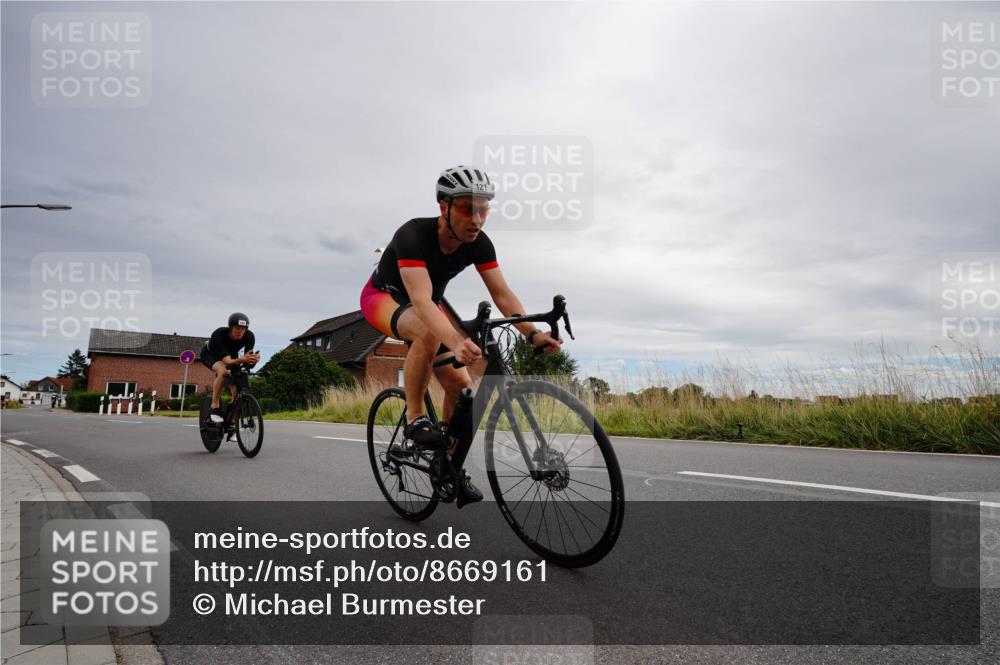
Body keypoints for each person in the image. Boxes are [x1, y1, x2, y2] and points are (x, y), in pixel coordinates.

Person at [360, 166, 562, 506]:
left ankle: (447, 467)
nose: (477, 219)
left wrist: (532, 334)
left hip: (429, 304)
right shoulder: (413, 235)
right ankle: (414, 418)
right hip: (385, 297)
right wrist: (455, 341)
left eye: (484, 209)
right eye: (468, 208)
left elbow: (502, 294)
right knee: (427, 332)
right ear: (444, 207)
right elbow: (422, 302)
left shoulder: (479, 243)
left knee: (462, 386)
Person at [201, 312, 260, 424]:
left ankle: (232, 420)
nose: (240, 332)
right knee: (223, 372)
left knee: (238, 385)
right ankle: (215, 405)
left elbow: (247, 362)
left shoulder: (249, 336)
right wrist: (243, 359)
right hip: (211, 355)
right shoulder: (219, 334)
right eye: (237, 328)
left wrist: (253, 360)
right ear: (230, 328)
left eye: (243, 329)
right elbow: (227, 361)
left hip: (232, 356)